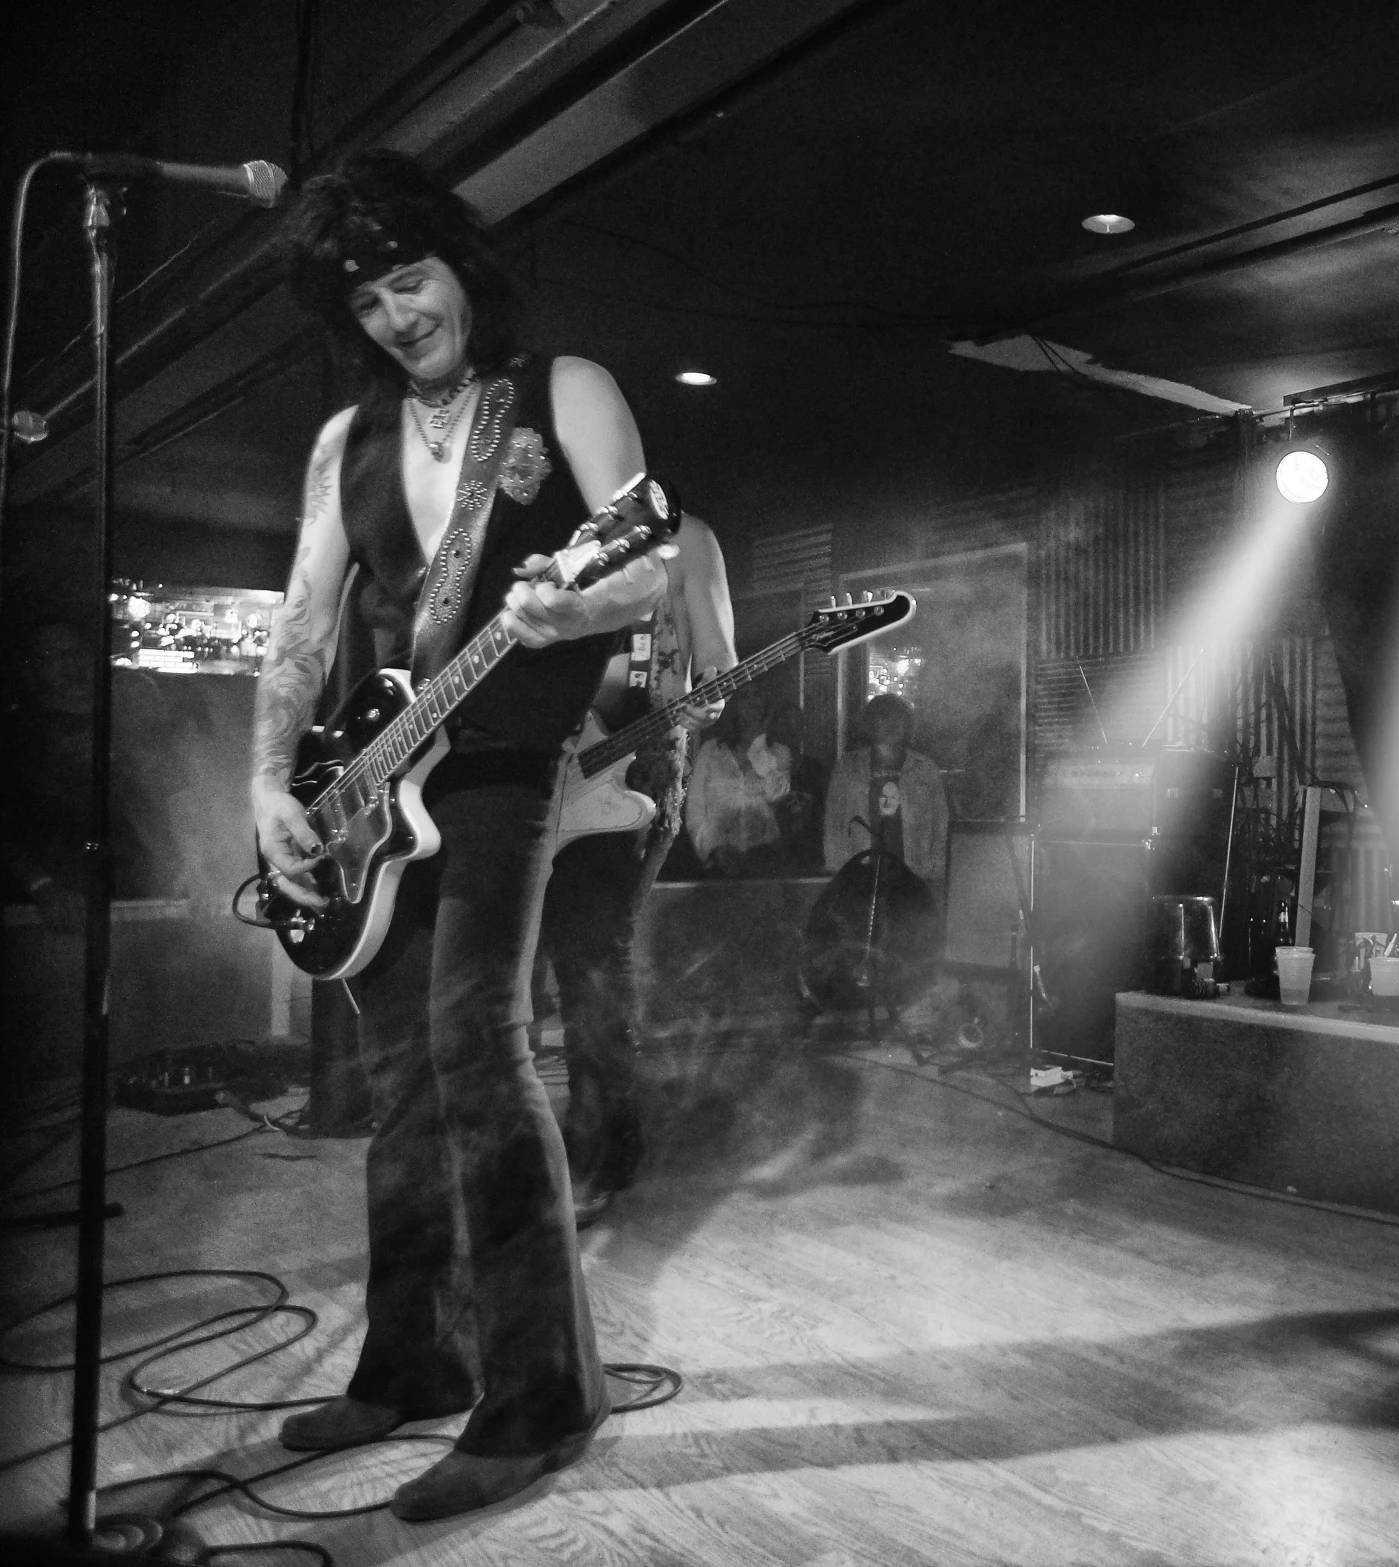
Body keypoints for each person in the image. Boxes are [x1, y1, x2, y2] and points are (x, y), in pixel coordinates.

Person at [251, 149, 667, 1522]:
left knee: (478, 1046)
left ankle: (541, 1393)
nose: (396, 313)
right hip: (375, 779)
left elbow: (651, 557)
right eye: (365, 299)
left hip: (501, 764)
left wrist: (573, 608)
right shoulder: (345, 440)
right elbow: (308, 625)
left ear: (459, 265)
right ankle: (410, 1358)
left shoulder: (565, 390)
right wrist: (272, 787)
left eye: (409, 278)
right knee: (402, 1080)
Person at [538, 513, 736, 1227]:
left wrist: (713, 682)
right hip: (544, 766)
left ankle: (592, 1152)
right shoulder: (565, 534)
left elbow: (715, 651)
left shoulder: (689, 541)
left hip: (636, 770)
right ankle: (573, 1145)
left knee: (591, 959)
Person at [822, 693, 948, 888]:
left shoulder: (925, 769)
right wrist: (839, 874)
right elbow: (834, 824)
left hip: (915, 878)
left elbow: (940, 825)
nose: (892, 723)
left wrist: (936, 873)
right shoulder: (847, 768)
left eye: (898, 717)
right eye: (883, 716)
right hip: (860, 878)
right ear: (869, 723)